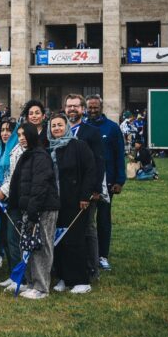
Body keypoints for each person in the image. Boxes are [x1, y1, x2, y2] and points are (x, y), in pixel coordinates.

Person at [8, 123, 60, 299]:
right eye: (19, 135)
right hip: (29, 209)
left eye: (24, 134)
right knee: (28, 246)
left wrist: (32, 210)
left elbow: (40, 185)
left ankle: (41, 287)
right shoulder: (26, 156)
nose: (21, 137)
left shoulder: (40, 156)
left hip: (43, 209)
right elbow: (18, 184)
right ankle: (31, 283)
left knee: (41, 247)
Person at [48, 114, 96, 294]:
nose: (57, 129)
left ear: (66, 126)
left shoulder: (78, 146)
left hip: (76, 202)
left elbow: (91, 171)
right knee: (59, 241)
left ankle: (81, 280)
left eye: (60, 125)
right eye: (54, 126)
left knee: (75, 240)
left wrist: (85, 196)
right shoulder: (50, 148)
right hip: (56, 203)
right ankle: (63, 277)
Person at [63, 94, 105, 278]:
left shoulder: (91, 132)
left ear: (82, 109)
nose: (72, 109)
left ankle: (92, 267)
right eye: (69, 106)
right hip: (65, 191)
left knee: (88, 228)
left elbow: (98, 162)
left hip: (85, 190)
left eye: (76, 106)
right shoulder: (59, 130)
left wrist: (94, 190)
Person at [85, 95, 126, 272]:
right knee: (86, 221)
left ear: (101, 107)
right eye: (90, 108)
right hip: (85, 183)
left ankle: (103, 256)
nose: (92, 110)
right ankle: (87, 254)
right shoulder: (83, 127)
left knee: (103, 220)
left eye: (95, 107)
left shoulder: (112, 128)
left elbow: (119, 155)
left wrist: (119, 180)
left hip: (106, 183)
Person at [0, 118, 19, 275]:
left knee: (13, 239)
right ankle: (12, 273)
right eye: (2, 130)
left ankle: (19, 275)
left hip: (11, 200)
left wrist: (3, 192)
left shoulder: (18, 149)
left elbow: (15, 175)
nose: (5, 133)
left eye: (9, 130)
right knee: (5, 238)